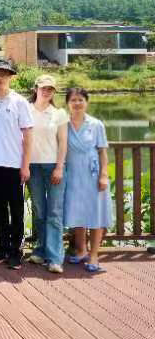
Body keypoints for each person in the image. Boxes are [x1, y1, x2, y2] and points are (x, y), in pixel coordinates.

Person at [0, 59, 33, 270]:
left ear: (10, 77)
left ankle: (16, 251)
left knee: (17, 210)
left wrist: (25, 165)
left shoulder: (19, 102)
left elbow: (28, 136)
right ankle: (2, 248)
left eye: (4, 74)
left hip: (14, 165)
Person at [63, 88, 111, 273]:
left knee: (96, 213)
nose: (77, 103)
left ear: (86, 102)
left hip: (93, 174)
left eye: (80, 99)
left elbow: (103, 152)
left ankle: (94, 255)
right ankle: (82, 250)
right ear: (67, 103)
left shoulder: (96, 124)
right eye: (73, 100)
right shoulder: (63, 124)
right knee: (77, 212)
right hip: (73, 174)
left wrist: (104, 175)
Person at [27, 75, 68, 274]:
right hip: (32, 167)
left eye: (50, 89)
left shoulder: (59, 113)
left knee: (54, 213)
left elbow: (63, 142)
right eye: (43, 88)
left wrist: (59, 167)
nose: (46, 91)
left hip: (53, 166)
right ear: (36, 88)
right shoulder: (26, 110)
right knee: (39, 210)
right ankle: (41, 249)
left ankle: (54, 258)